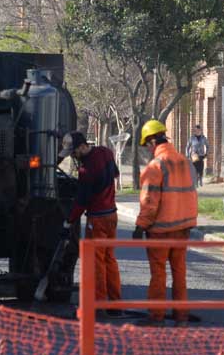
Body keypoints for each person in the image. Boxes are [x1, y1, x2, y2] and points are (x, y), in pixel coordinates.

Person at [134, 119, 199, 326]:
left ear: (152, 141)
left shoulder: (156, 166)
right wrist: (190, 222)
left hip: (160, 231)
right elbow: (191, 196)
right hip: (182, 228)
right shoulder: (183, 161)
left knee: (158, 274)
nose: (147, 149)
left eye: (147, 145)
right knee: (179, 274)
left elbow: (149, 202)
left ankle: (157, 317)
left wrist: (140, 226)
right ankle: (181, 318)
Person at [58, 131, 121, 312]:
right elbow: (115, 174)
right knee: (110, 259)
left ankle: (99, 303)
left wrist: (69, 221)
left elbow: (81, 202)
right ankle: (115, 303)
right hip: (112, 215)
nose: (73, 156)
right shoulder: (106, 152)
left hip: (97, 218)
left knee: (97, 262)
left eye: (74, 153)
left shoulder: (86, 170)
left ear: (82, 146)